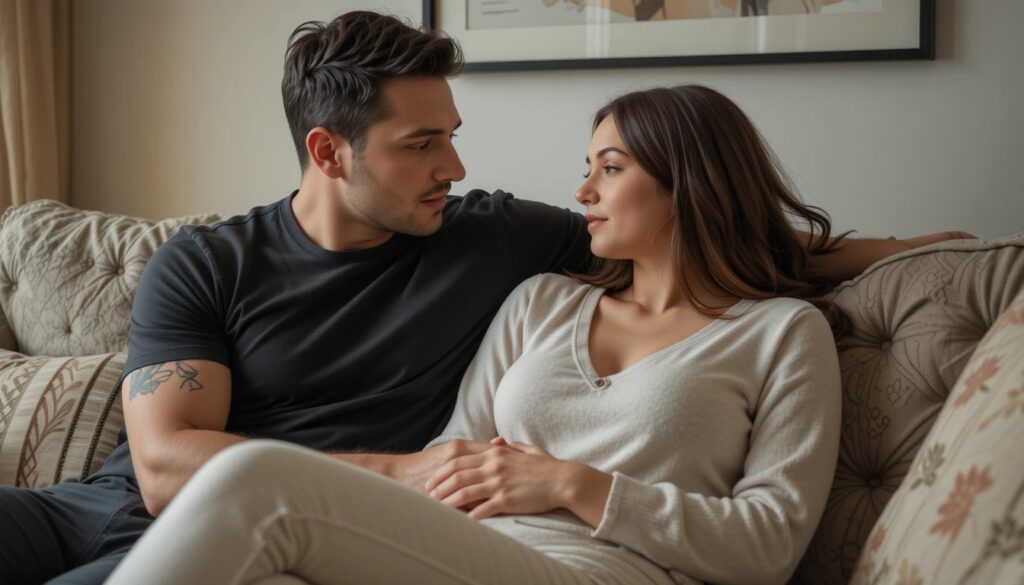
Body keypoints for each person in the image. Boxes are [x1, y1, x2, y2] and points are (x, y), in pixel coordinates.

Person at [0, 11, 968, 585]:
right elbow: (171, 468)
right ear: (328, 153)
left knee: (251, 491)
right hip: (107, 510)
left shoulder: (499, 237)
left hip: (447, 547)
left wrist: (936, 248)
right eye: (422, 144)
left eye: (450, 134)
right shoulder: (209, 261)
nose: (455, 167)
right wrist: (410, 479)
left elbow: (740, 239)